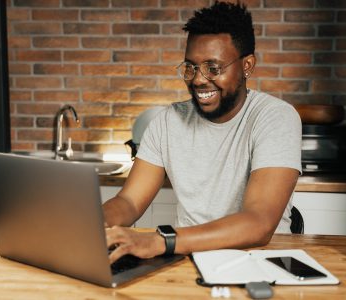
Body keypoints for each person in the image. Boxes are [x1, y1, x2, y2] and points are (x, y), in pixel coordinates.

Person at [103, 1, 301, 263]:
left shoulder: (275, 118)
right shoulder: (167, 122)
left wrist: (163, 241)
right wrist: (90, 223)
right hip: (186, 258)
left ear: (247, 66)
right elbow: (128, 201)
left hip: (260, 261)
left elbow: (259, 223)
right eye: (191, 67)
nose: (197, 79)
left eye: (213, 68)